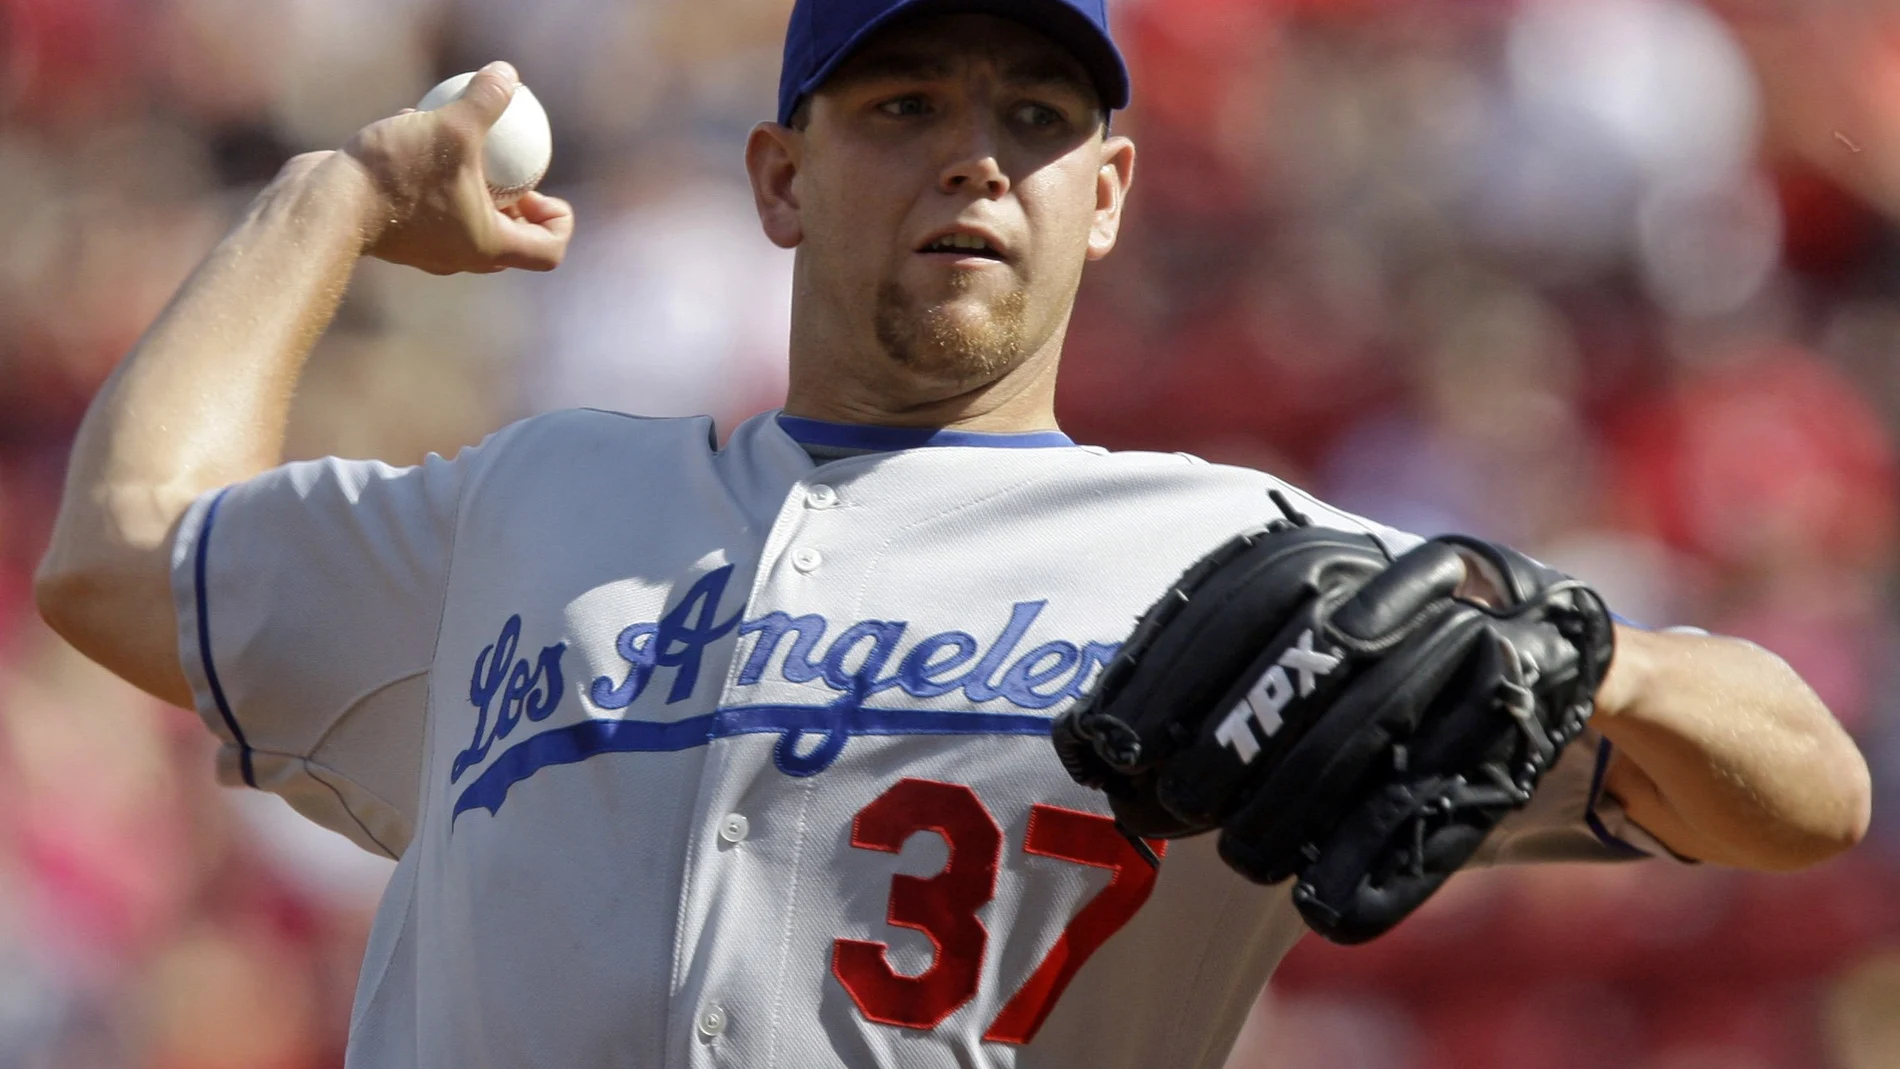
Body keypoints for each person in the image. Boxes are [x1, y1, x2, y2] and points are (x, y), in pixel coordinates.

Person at [33, 1, 1871, 1065]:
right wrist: (328, 196)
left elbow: (1807, 800)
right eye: (904, 104)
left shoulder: (1242, 564)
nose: (975, 155)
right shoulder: (533, 500)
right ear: (780, 177)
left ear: (1113, 196)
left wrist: (1600, 657)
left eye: (1036, 116)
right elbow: (119, 553)